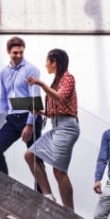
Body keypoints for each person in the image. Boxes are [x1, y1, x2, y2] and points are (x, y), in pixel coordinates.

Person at [24, 48, 80, 210]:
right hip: (56, 126)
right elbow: (52, 112)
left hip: (67, 127)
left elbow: (60, 97)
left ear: (54, 62)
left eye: (47, 61)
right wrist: (38, 111)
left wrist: (41, 84)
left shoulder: (68, 78)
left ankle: (70, 213)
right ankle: (48, 195)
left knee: (59, 171)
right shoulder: (56, 82)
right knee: (30, 155)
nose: (45, 65)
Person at [0, 36, 43, 177]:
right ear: (8, 52)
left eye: (21, 52)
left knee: (36, 158)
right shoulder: (4, 72)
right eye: (15, 53)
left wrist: (30, 124)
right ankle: (4, 185)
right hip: (13, 119)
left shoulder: (31, 70)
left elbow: (35, 99)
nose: (18, 55)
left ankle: (42, 195)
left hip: (30, 118)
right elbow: (3, 98)